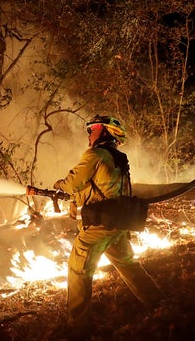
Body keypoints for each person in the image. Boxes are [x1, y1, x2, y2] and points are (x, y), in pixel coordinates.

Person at [53, 114, 160, 339]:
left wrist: (59, 185)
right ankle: (158, 303)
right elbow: (102, 186)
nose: (89, 134)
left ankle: (78, 328)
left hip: (100, 224)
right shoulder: (118, 157)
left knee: (78, 269)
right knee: (127, 263)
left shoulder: (95, 154)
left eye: (93, 129)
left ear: (105, 132)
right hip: (119, 223)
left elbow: (73, 183)